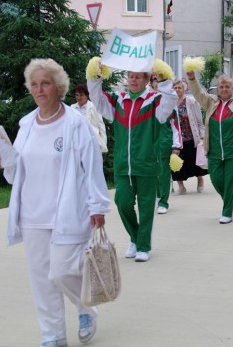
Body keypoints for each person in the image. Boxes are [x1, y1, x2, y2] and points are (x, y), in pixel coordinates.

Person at [0, 58, 110, 347]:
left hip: (68, 211)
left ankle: (86, 308)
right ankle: (52, 335)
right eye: (34, 84)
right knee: (41, 278)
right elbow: (18, 169)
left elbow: (92, 167)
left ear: (59, 87)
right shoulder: (26, 124)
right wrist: (3, 160)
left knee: (62, 271)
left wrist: (98, 206)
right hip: (32, 213)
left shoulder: (75, 124)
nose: (39, 89)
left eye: (45, 83)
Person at [88, 59, 178, 263]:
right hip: (123, 164)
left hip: (146, 164)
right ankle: (135, 238)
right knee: (123, 202)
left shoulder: (155, 101)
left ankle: (143, 246)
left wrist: (164, 80)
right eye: (131, 76)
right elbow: (96, 98)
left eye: (138, 76)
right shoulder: (118, 100)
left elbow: (170, 100)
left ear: (147, 79)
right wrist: (95, 75)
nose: (133, 79)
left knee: (146, 207)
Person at [186, 72, 233, 224]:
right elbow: (198, 93)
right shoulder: (210, 102)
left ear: (232, 88)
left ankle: (227, 211)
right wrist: (192, 79)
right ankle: (228, 200)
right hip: (214, 150)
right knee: (216, 179)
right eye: (221, 86)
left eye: (227, 86)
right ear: (218, 89)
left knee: (230, 182)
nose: (224, 89)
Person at [149, 75, 182, 214]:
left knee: (163, 174)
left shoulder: (170, 105)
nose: (157, 83)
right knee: (152, 174)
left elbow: (176, 128)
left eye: (159, 80)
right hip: (149, 145)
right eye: (155, 80)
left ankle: (163, 201)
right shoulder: (147, 102)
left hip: (164, 144)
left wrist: (176, 146)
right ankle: (156, 197)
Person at [171, 79, 208, 193]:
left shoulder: (191, 102)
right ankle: (181, 186)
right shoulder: (170, 103)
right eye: (175, 88)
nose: (177, 90)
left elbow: (199, 122)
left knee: (194, 162)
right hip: (177, 140)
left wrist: (202, 137)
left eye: (179, 88)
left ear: (184, 89)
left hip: (191, 137)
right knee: (176, 163)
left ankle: (200, 179)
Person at [71, 84, 108, 153]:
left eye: (81, 95)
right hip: (76, 144)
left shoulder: (94, 107)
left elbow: (101, 126)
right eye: (77, 95)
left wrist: (103, 145)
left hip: (91, 143)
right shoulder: (72, 108)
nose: (78, 97)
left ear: (87, 95)